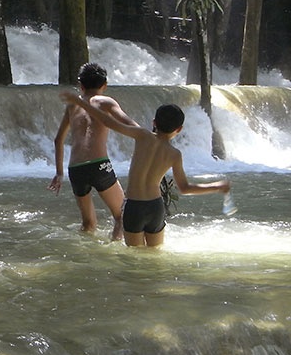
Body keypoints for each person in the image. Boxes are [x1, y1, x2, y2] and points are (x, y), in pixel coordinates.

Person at [59, 92, 230, 247]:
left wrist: (80, 103)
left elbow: (107, 121)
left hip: (134, 207)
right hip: (155, 207)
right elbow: (185, 188)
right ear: (179, 129)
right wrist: (217, 186)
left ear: (154, 122)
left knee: (136, 258)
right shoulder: (175, 154)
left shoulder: (142, 136)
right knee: (154, 255)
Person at [49, 62, 137, 240]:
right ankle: (114, 252)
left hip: (75, 169)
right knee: (122, 215)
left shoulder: (72, 106)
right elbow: (130, 124)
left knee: (88, 224)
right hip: (99, 165)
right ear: (104, 85)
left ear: (80, 85)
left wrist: (59, 174)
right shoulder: (105, 102)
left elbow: (58, 140)